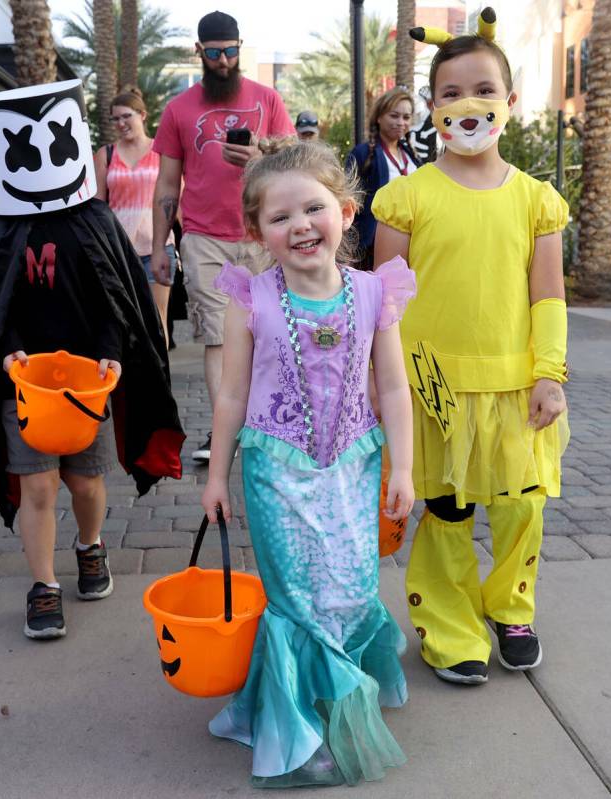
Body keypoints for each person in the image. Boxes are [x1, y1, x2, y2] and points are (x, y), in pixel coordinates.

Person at [201, 139, 416, 787]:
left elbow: (392, 387)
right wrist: (215, 475)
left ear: (346, 213)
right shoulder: (250, 299)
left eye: (313, 208)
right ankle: (296, 729)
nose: (299, 225)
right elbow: (232, 393)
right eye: (279, 216)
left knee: (349, 586)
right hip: (274, 470)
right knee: (296, 597)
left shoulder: (375, 292)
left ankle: (338, 687)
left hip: (352, 464)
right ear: (256, 231)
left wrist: (401, 468)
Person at [372, 8, 570, 686]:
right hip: (432, 387)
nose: (468, 104)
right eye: (450, 92)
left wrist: (549, 372)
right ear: (430, 107)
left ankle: (510, 607)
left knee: (520, 505)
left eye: (483, 89)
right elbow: (383, 301)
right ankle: (450, 627)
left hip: (515, 386)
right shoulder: (404, 198)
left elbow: (547, 295)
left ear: (509, 102)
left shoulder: (536, 200)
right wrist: (380, 378)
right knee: (448, 509)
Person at [0, 79, 184, 641]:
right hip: (21, 385)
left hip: (86, 382)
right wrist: (7, 354)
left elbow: (115, 297)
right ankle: (43, 586)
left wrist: (110, 356)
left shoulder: (94, 220)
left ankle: (90, 546)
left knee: (83, 482)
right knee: (38, 485)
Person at [151, 10, 295, 463]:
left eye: (231, 51)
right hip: (203, 238)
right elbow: (167, 184)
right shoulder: (178, 109)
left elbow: (294, 161)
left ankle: (268, 423)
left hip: (262, 235)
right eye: (214, 53)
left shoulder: (266, 99)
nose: (224, 61)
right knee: (216, 336)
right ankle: (224, 433)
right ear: (199, 52)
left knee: (270, 332)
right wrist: (160, 246)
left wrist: (260, 153)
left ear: (239, 47)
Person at [94, 86, 176, 343]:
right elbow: (97, 206)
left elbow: (177, 198)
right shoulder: (105, 154)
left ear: (142, 115)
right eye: (115, 118)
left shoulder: (163, 152)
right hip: (118, 250)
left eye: (126, 116)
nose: (121, 123)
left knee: (157, 317)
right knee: (120, 319)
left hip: (157, 246)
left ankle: (161, 380)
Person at [346, 87, 420, 270]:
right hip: (373, 246)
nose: (401, 122)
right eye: (394, 116)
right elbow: (347, 200)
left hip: (414, 241)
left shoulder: (411, 155)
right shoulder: (363, 154)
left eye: (406, 117)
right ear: (379, 117)